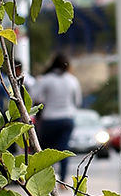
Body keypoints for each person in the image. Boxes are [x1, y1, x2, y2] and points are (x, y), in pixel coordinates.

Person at [29, 52, 84, 184]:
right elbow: (77, 101)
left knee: (47, 151)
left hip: (49, 119)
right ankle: (63, 181)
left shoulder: (46, 79)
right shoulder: (72, 80)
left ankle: (49, 181)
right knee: (64, 149)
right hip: (67, 119)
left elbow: (33, 95)